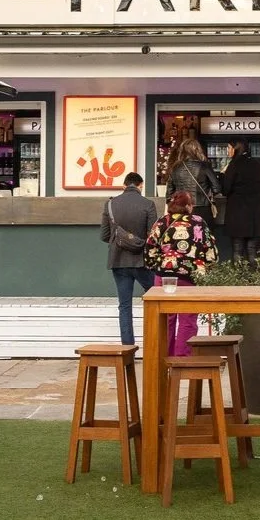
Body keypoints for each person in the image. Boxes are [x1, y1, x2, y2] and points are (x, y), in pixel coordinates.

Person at [142, 189, 218, 357]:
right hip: (189, 277)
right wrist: (205, 268)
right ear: (188, 206)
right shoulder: (198, 222)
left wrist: (158, 266)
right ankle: (182, 359)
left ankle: (164, 358)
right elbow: (211, 251)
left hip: (164, 277)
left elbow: (149, 248)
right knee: (188, 318)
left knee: (165, 318)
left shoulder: (162, 222)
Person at [99, 171, 156, 344]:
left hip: (118, 260)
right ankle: (154, 342)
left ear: (124, 185)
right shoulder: (148, 204)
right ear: (140, 186)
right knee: (157, 299)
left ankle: (127, 348)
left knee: (124, 306)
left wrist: (121, 240)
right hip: (142, 261)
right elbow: (154, 235)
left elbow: (104, 235)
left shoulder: (110, 204)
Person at [165, 136, 222, 226]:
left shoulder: (175, 167)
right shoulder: (205, 166)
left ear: (182, 151)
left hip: (181, 208)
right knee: (202, 236)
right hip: (202, 208)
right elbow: (217, 188)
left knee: (183, 236)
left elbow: (169, 192)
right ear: (198, 150)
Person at [220, 143, 260, 260]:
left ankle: (238, 277)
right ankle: (255, 276)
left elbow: (225, 189)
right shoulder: (256, 164)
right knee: (252, 249)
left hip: (237, 212)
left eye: (228, 147)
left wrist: (222, 175)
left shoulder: (233, 165)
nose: (227, 150)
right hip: (254, 212)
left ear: (235, 148)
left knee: (237, 249)